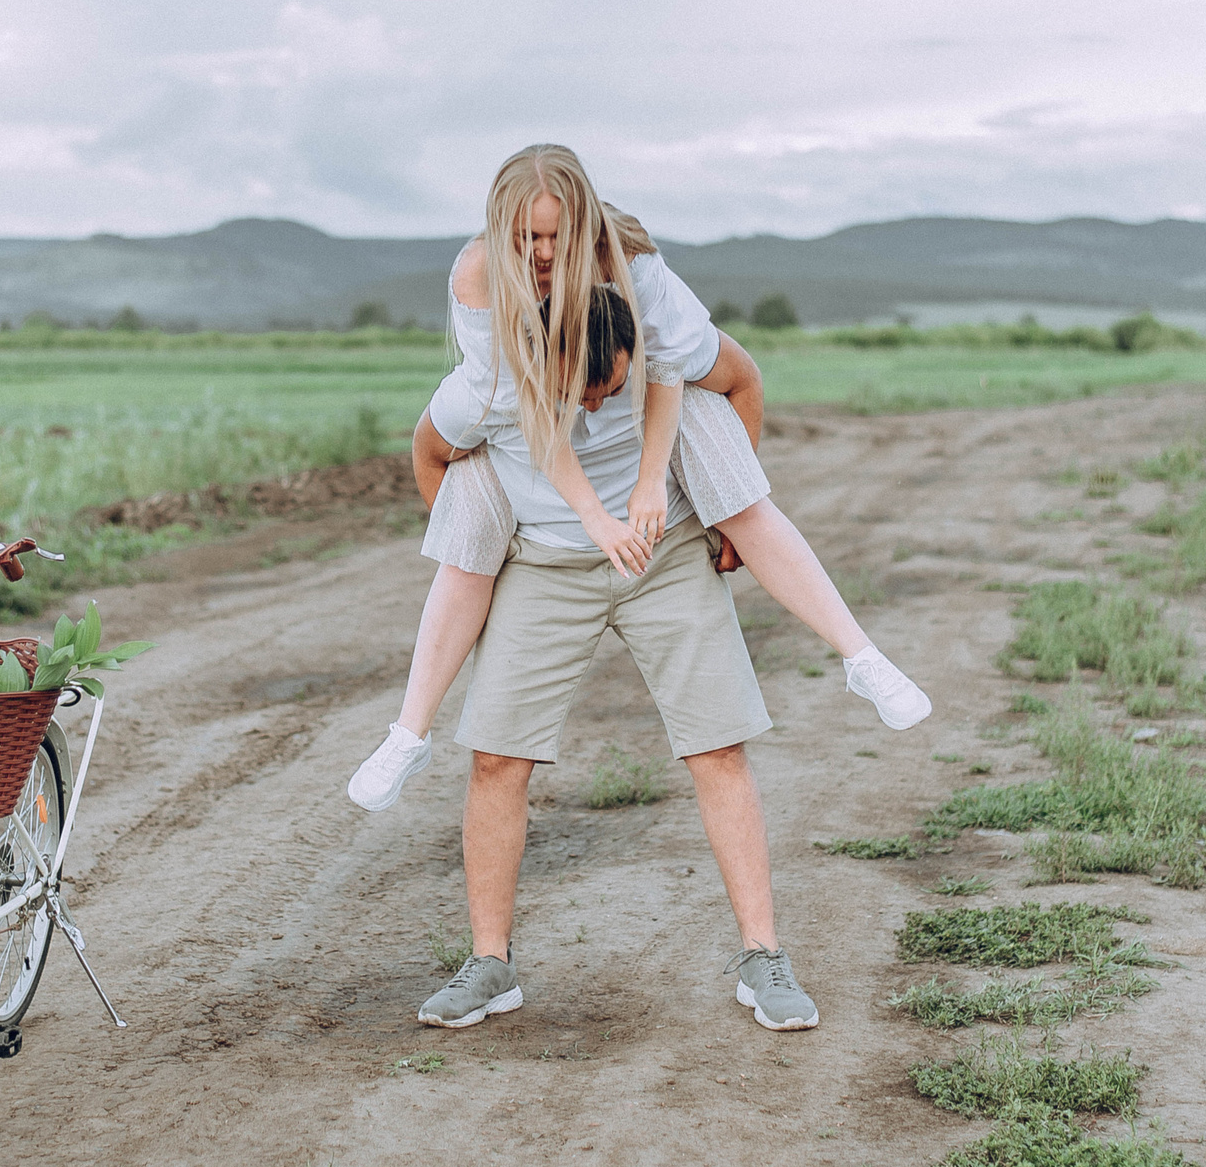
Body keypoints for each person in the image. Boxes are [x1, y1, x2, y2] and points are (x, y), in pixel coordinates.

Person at [347, 143, 930, 812]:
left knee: (718, 442)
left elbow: (700, 375)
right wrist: (518, 541)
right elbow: (525, 410)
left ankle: (861, 656)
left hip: (647, 399)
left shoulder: (629, 263)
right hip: (508, 415)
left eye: (554, 236)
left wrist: (670, 488)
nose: (539, 252)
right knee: (471, 514)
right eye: (524, 236)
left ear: (585, 226)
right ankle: (407, 732)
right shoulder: (481, 276)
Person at [409, 280, 819, 1030]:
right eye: (578, 394)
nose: (593, 408)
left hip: (665, 558)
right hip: (542, 564)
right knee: (496, 757)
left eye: (611, 389)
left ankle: (764, 958)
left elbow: (745, 382)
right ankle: (489, 963)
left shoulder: (670, 344)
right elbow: (429, 451)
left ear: (639, 354)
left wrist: (728, 516)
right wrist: (479, 547)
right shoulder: (495, 381)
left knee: (718, 746)